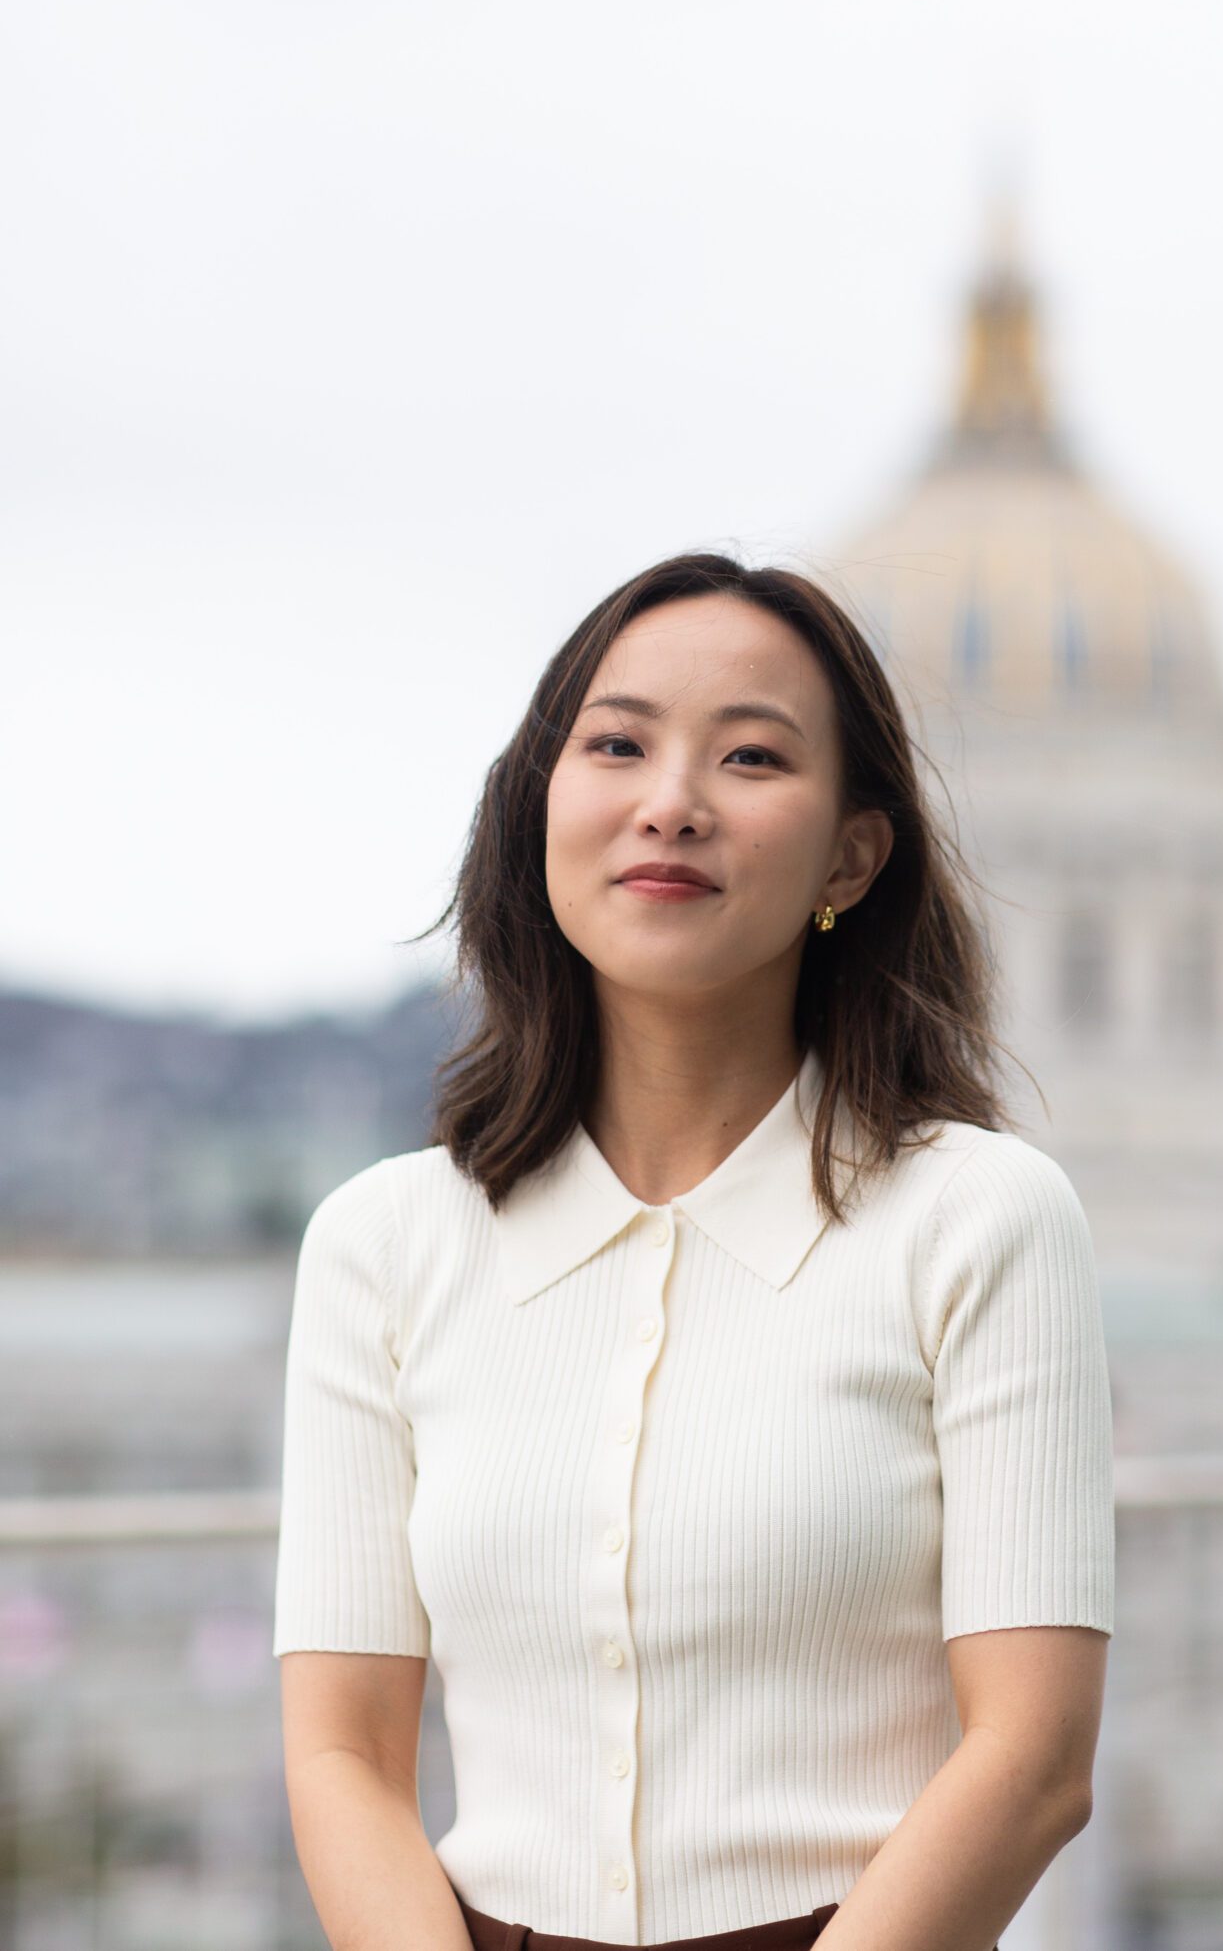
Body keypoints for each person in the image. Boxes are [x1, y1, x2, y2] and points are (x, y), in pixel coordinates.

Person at [272, 550, 1115, 1951]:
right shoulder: (383, 1243)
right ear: (543, 802)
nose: (671, 801)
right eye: (616, 743)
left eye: (751, 756)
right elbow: (340, 1755)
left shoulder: (981, 1221)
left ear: (853, 852)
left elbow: (1033, 1759)